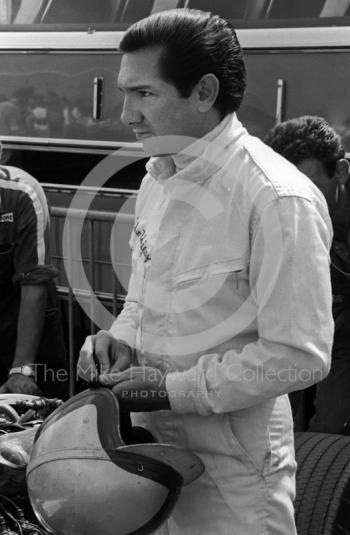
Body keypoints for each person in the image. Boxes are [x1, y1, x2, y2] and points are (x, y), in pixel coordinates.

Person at [78, 9, 334, 534]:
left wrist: (172, 390)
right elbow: (143, 300)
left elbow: (299, 356)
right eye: (125, 93)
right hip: (151, 460)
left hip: (235, 481)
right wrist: (119, 338)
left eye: (144, 94)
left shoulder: (276, 198)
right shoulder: (157, 179)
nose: (126, 114)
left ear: (204, 91)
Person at [264, 115, 350, 434]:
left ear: (341, 171)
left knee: (331, 429)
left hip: (341, 335)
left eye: (311, 186)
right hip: (298, 330)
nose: (299, 202)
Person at [0, 160, 68, 399]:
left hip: (27, 312)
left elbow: (33, 285)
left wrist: (22, 368)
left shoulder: (22, 194)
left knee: (41, 413)